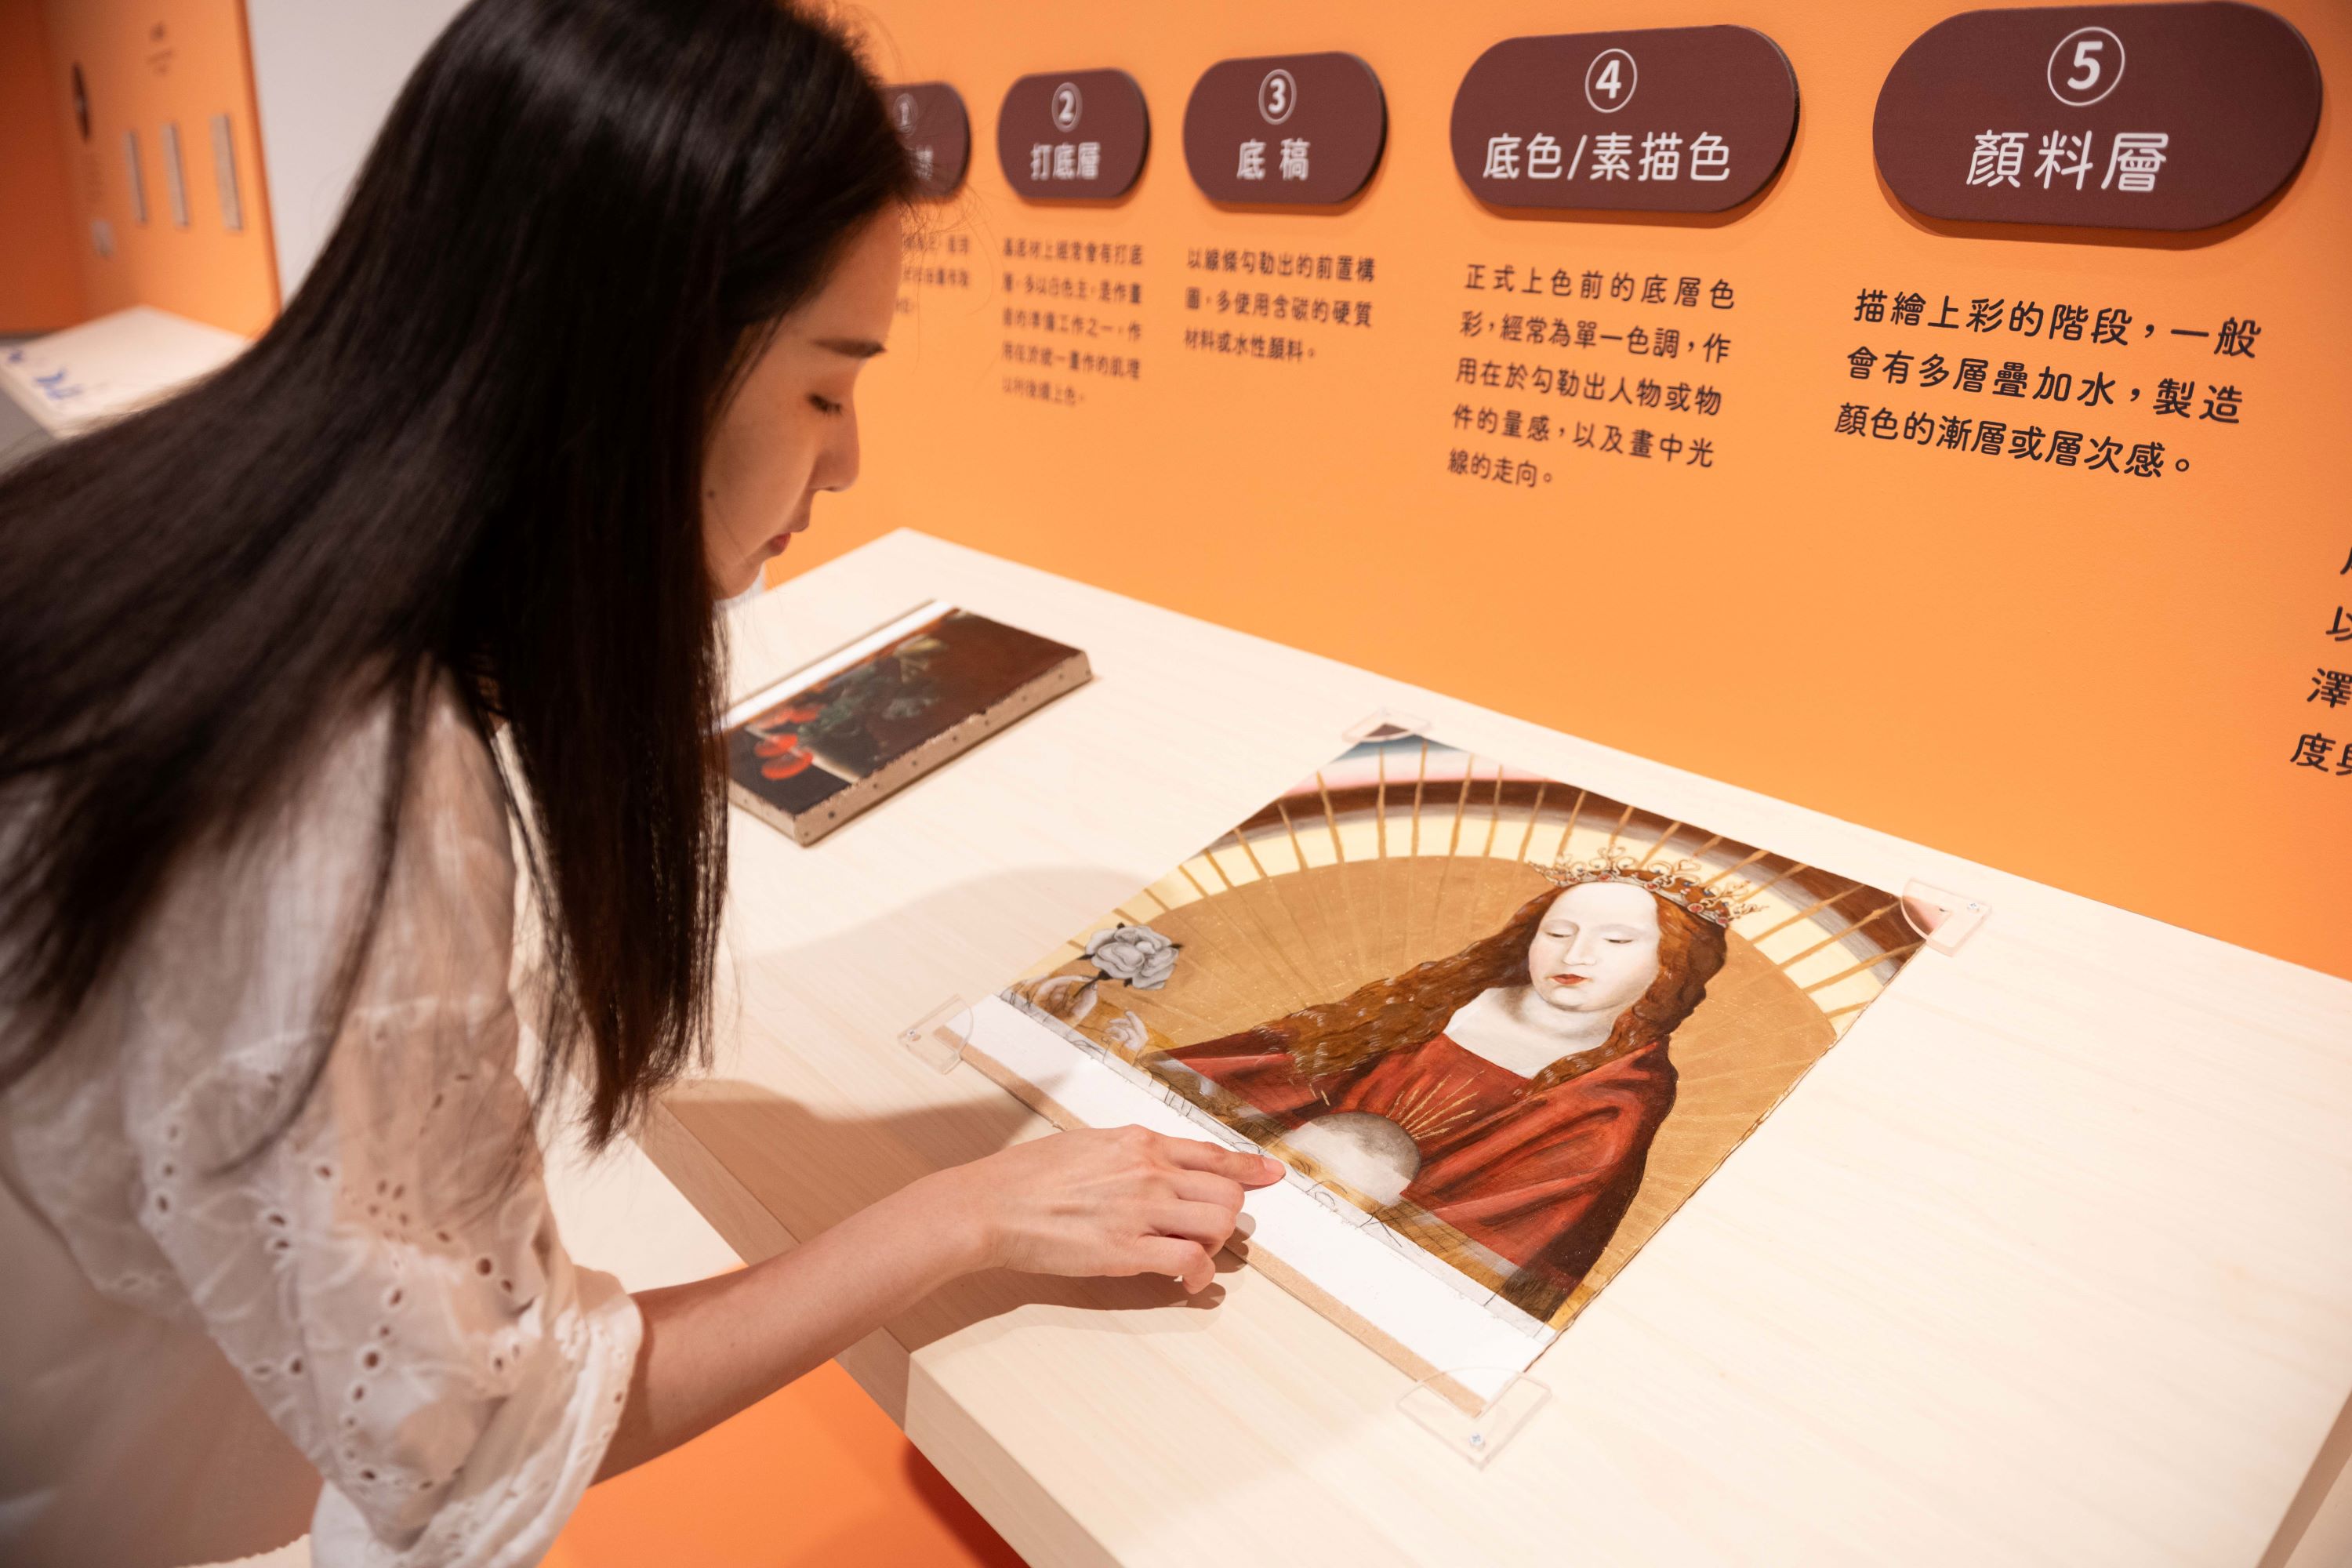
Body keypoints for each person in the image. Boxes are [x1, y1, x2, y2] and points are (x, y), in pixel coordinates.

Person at [0, 3, 1279, 1564]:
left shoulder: (178, 530)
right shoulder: (349, 789)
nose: (846, 460)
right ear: (639, 366)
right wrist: (967, 1212)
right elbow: (483, 1442)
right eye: (826, 388)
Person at [1159, 859, 1733, 1318]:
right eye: (1557, 932)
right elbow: (1260, 1071)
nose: (1575, 954)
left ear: (1670, 965)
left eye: (1618, 941)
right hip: (1224, 1202)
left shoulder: (1618, 1095)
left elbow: (1497, 1242)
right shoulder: (1436, 1001)